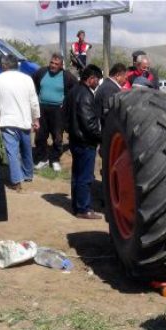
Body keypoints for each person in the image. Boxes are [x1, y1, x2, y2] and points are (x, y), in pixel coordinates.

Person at [0, 54, 40, 191]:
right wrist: (36, 119)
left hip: (7, 121)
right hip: (24, 120)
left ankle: (17, 181)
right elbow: (34, 101)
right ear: (17, 65)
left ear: (4, 65)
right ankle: (28, 174)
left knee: (12, 152)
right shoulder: (27, 79)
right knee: (26, 148)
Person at [66, 64, 104, 220]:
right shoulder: (86, 95)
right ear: (91, 79)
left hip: (75, 140)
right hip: (85, 142)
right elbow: (89, 123)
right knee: (85, 177)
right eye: (97, 79)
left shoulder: (73, 92)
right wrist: (101, 137)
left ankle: (77, 205)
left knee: (77, 175)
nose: (98, 83)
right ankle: (84, 208)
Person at [32, 53, 76, 172]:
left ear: (61, 66)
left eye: (56, 64)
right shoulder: (41, 72)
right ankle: (43, 159)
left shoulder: (67, 77)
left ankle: (55, 159)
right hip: (42, 109)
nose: (53, 65)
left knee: (57, 137)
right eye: (51, 63)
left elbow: (74, 91)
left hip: (58, 111)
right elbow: (33, 86)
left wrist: (66, 104)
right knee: (40, 136)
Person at [95, 62, 127, 128]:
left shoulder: (108, 85)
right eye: (125, 78)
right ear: (118, 75)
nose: (125, 81)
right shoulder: (110, 88)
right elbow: (108, 112)